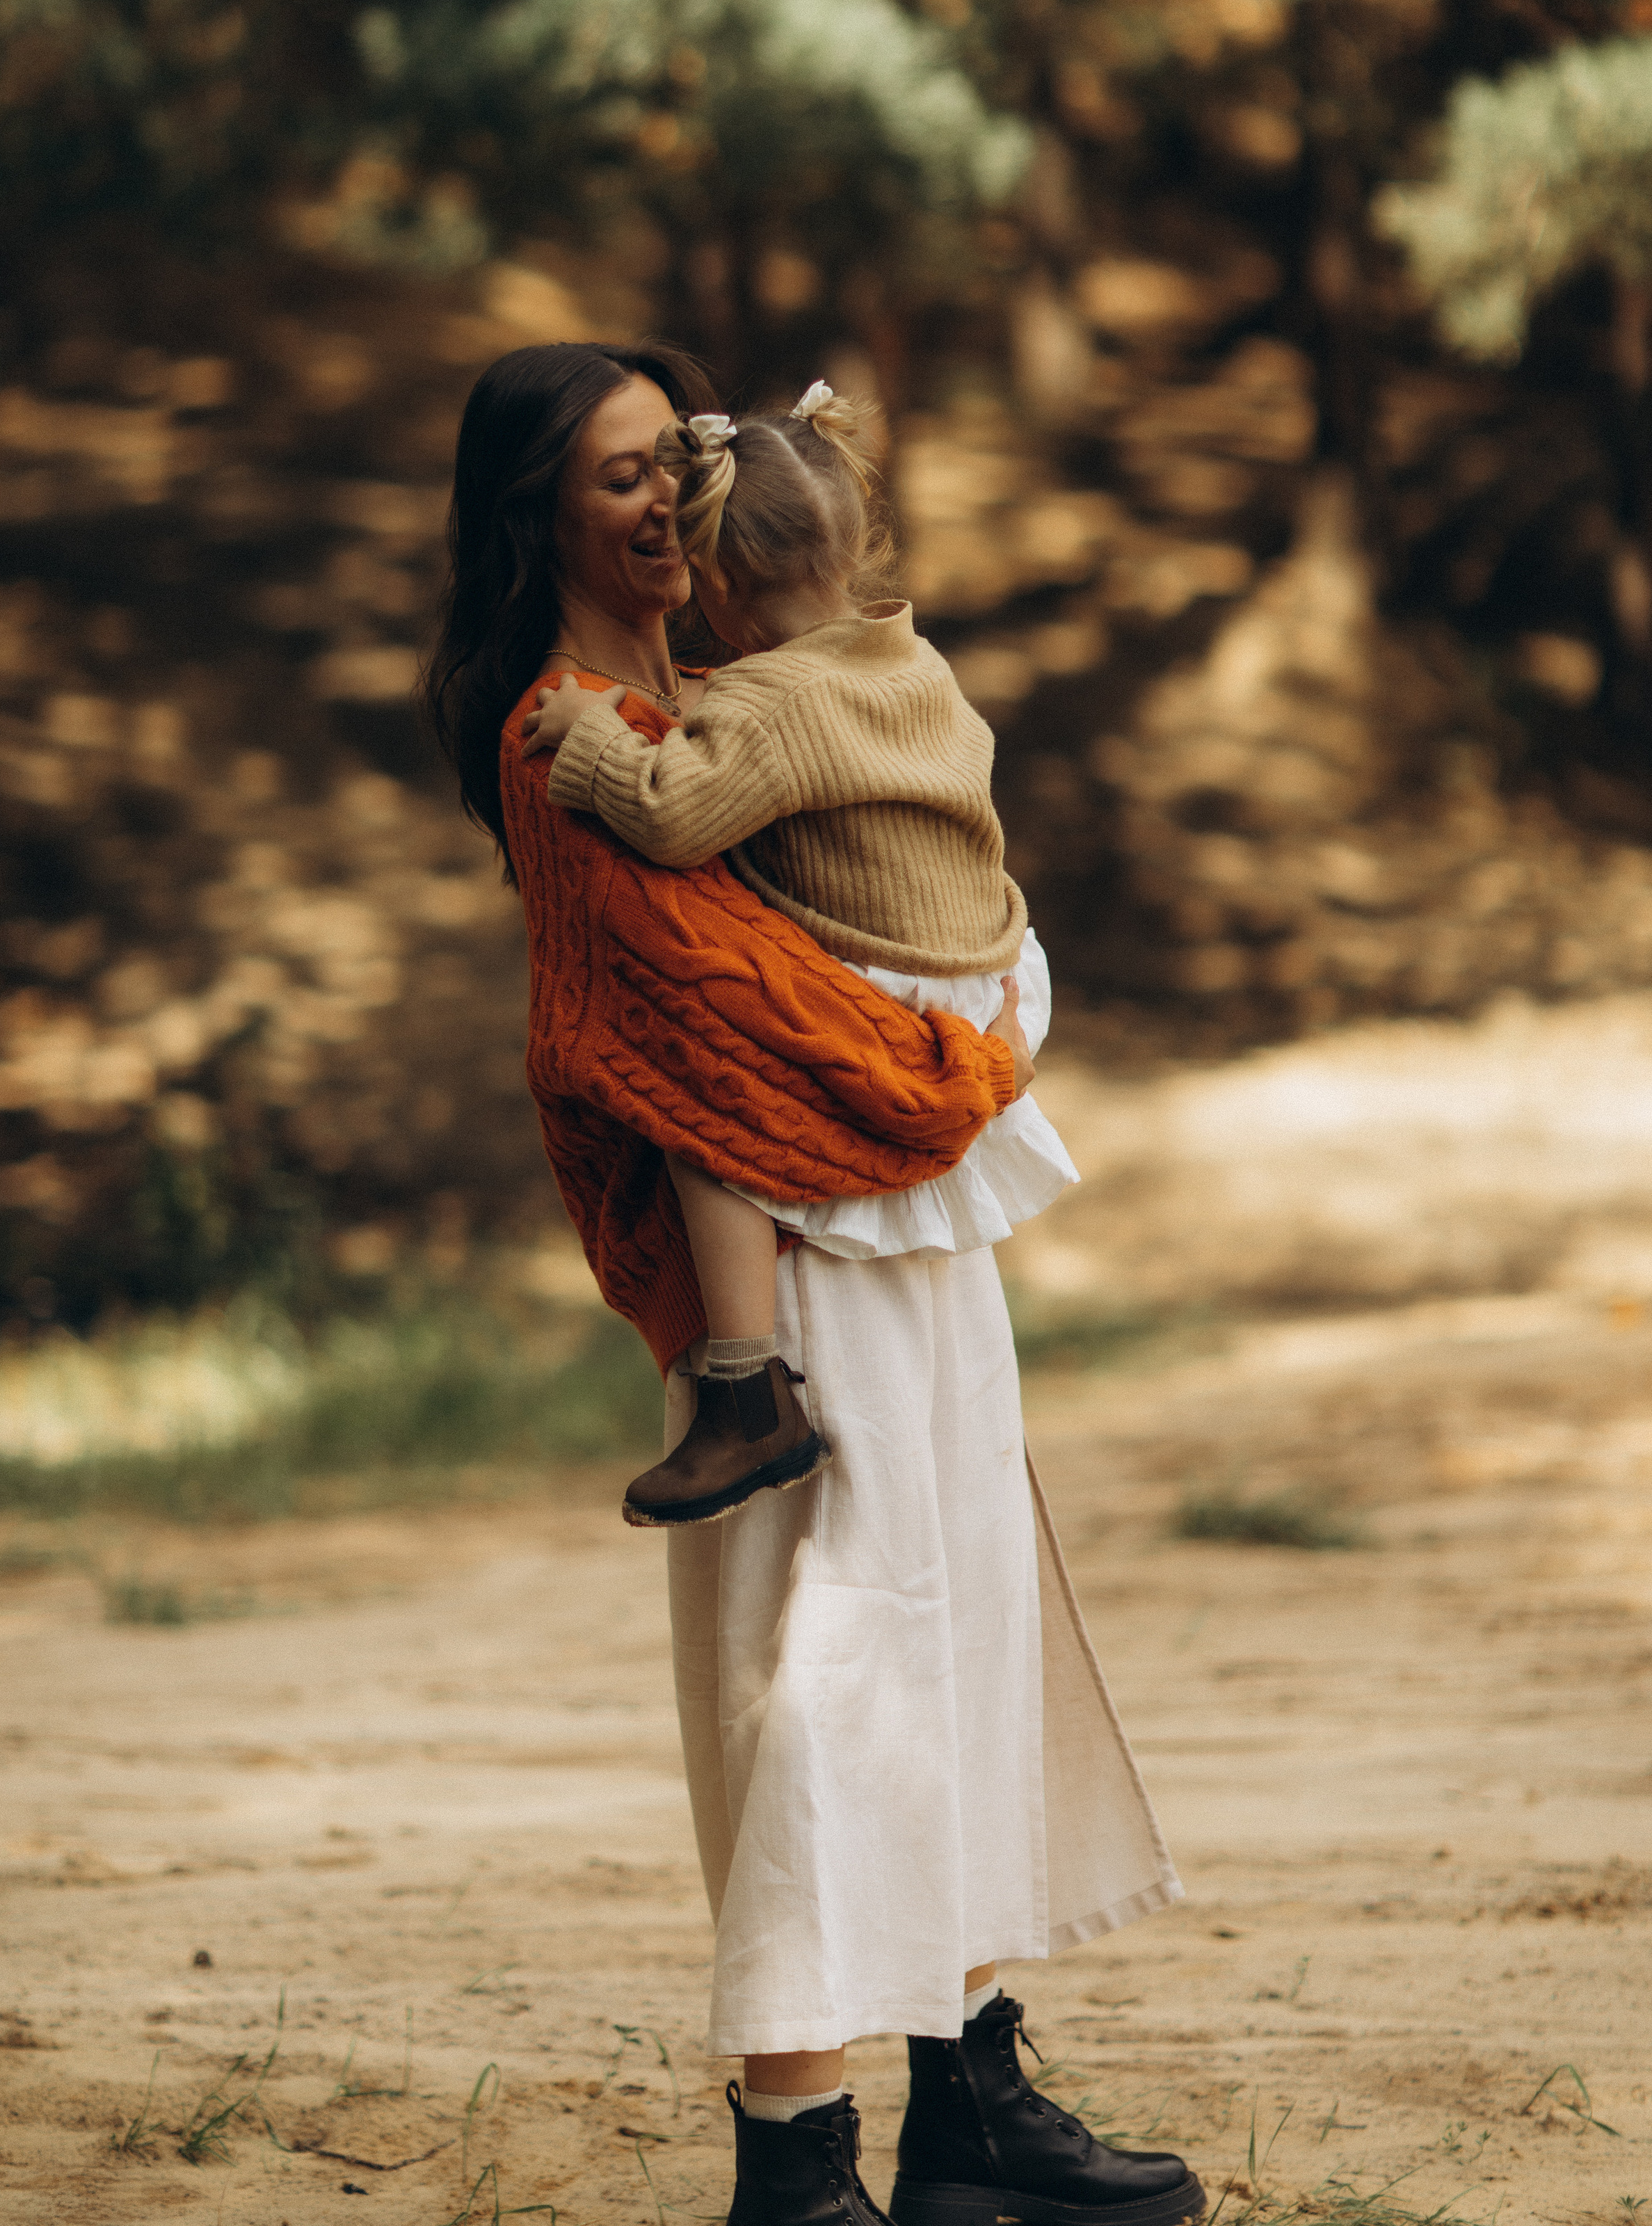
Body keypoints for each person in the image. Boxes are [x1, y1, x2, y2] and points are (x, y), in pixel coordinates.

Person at [425, 340, 1205, 2226]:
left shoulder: (733, 694)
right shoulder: (569, 743)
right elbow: (741, 1026)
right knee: (825, 1669)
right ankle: (799, 2155)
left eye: (664, 462)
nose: (653, 500)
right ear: (538, 516)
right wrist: (986, 1036)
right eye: (613, 475)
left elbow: (878, 916)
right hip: (798, 1269)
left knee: (962, 1640)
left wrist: (973, 1018)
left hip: (911, 1232)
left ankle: (967, 2096)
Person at [520, 378, 1079, 1539]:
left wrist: (592, 741)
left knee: (698, 1113)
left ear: (715, 587)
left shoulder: (768, 703)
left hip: (885, 986)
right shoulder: (912, 665)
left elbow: (674, 815)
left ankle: (747, 1388)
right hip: (985, 963)